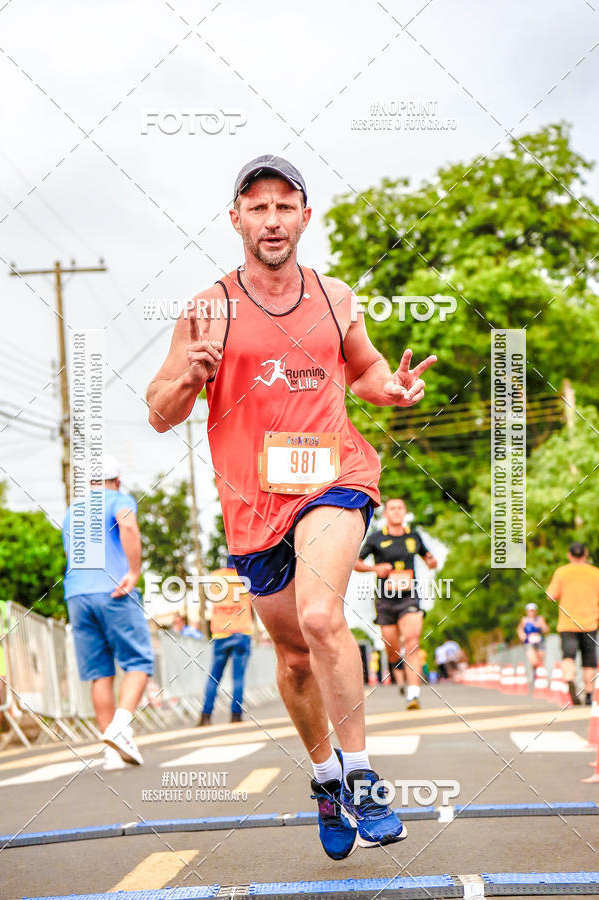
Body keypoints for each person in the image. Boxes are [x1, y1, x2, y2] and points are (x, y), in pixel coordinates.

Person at [147, 154, 436, 857]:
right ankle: (326, 777)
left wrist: (388, 389)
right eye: (258, 206)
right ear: (236, 219)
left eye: (285, 206)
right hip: (252, 504)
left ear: (305, 216)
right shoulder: (207, 307)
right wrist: (190, 376)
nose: (272, 219)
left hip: (334, 477)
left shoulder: (334, 296)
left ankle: (363, 778)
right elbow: (160, 411)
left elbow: (363, 368)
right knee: (295, 658)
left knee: (320, 615)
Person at [62, 455, 153, 769]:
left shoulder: (72, 511)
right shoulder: (119, 499)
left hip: (76, 594)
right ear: (117, 480)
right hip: (113, 588)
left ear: (89, 484)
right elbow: (127, 523)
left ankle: (111, 752)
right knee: (139, 661)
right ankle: (121, 726)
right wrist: (134, 570)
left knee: (100, 673)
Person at [355, 498, 437, 710]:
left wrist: (431, 561)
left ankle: (413, 694)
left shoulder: (413, 536)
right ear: (385, 513)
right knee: (393, 648)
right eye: (392, 508)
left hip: (410, 596)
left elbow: (428, 556)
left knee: (412, 641)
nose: (396, 511)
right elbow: (356, 563)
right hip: (385, 599)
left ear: (405, 512)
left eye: (400, 508)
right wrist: (375, 569)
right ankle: (397, 667)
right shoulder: (376, 538)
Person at [199, 559, 253, 726]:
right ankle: (235, 716)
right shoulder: (245, 577)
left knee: (214, 677)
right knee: (238, 677)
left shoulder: (216, 576)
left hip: (221, 633)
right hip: (242, 631)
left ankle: (205, 716)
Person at [547, 542, 599, 706]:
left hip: (568, 623)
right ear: (586, 554)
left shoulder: (562, 572)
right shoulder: (595, 573)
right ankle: (589, 693)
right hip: (590, 623)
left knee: (568, 656)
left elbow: (550, 595)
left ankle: (570, 680)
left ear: (569, 555)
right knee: (589, 659)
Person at [517, 603, 549, 683]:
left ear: (536, 611)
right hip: (529, 642)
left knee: (540, 661)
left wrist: (541, 627)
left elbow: (546, 629)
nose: (532, 613)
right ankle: (535, 674)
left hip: (539, 642)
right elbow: (519, 629)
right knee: (533, 661)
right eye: (530, 611)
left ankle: (540, 677)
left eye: (533, 611)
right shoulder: (524, 620)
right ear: (527, 612)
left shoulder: (540, 619)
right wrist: (522, 635)